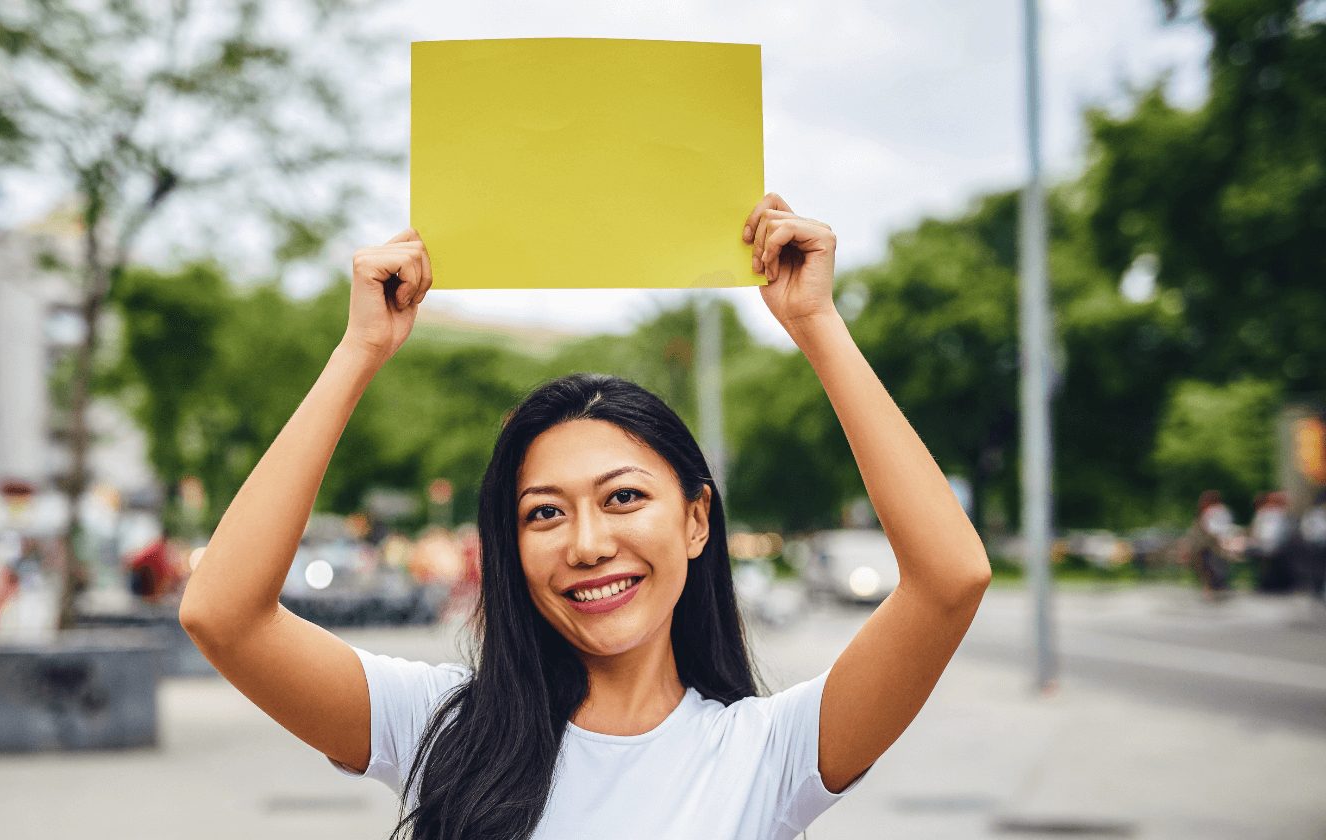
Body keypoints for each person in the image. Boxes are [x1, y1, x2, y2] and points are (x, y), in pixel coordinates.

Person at [179, 194, 992, 839]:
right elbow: (223, 614)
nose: (589, 543)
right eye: (543, 514)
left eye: (624, 497)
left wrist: (815, 324)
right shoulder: (439, 729)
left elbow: (950, 579)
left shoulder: (768, 753)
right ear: (511, 546)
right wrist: (358, 351)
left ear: (697, 520)